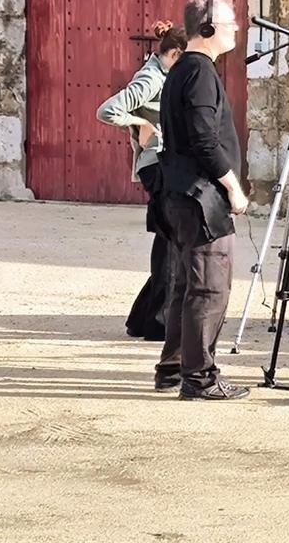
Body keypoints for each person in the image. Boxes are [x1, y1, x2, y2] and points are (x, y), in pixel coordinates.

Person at [154, 0, 251, 400]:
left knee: (186, 286)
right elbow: (204, 140)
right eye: (230, 23)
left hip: (181, 194)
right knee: (210, 287)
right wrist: (233, 187)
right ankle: (200, 378)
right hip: (200, 197)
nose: (237, 29)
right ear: (208, 29)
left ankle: (174, 366)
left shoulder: (183, 70)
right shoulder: (199, 73)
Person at [97, 21, 187, 341]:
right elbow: (108, 110)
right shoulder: (151, 77)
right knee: (173, 241)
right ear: (174, 54)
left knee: (169, 241)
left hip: (165, 164)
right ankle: (158, 321)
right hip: (158, 166)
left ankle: (144, 319)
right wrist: (140, 124)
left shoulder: (165, 72)